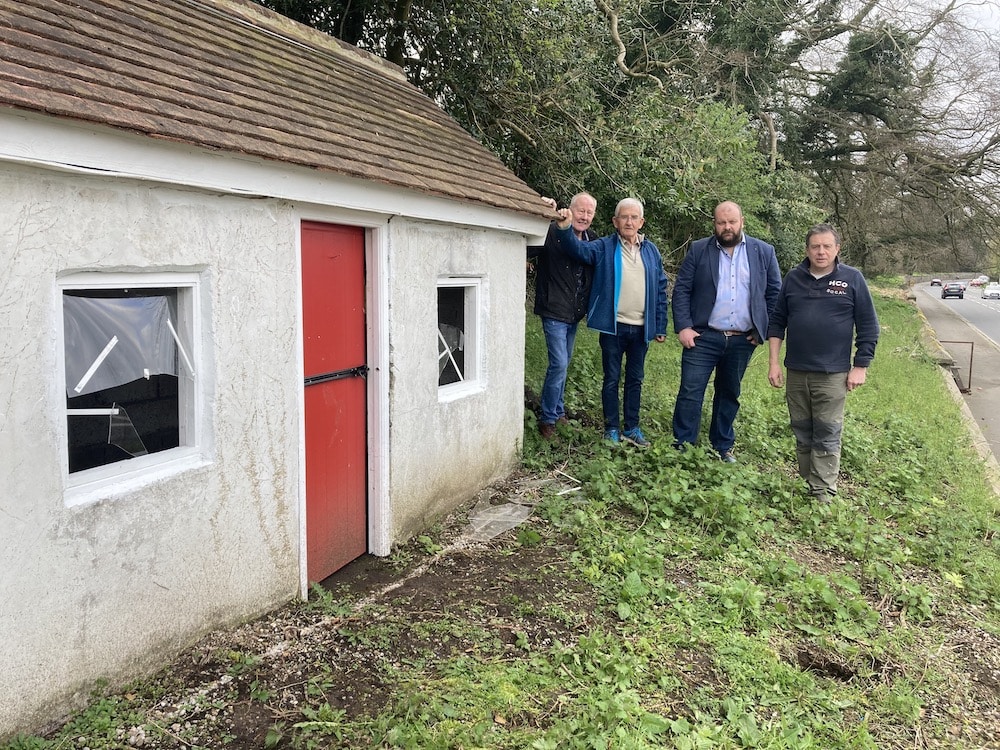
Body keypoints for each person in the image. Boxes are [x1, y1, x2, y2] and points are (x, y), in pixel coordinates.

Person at [766, 223, 880, 502]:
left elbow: (868, 326)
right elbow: (777, 322)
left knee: (827, 432)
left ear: (837, 248)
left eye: (827, 246)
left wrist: (860, 366)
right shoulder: (793, 278)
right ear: (807, 249)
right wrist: (774, 363)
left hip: (833, 374)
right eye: (815, 246)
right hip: (796, 371)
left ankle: (823, 492)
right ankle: (809, 482)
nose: (821, 251)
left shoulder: (852, 279)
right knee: (802, 429)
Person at [671, 201, 782, 462]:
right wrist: (684, 327)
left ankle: (722, 446)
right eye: (721, 222)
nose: (727, 227)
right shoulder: (699, 250)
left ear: (742, 221)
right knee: (690, 390)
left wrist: (761, 329)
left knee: (729, 392)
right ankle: (684, 444)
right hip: (703, 336)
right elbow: (682, 290)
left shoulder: (763, 252)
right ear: (715, 224)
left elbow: (774, 295)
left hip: (742, 339)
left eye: (731, 221)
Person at [553, 198, 668, 447]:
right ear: (615, 222)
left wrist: (660, 325)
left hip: (641, 328)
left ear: (641, 222)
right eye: (624, 217)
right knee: (611, 378)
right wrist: (564, 228)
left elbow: (660, 289)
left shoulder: (651, 251)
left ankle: (633, 428)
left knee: (635, 379)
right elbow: (578, 250)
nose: (629, 221)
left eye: (634, 217)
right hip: (613, 326)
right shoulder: (604, 246)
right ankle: (612, 428)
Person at [528, 193, 598, 439]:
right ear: (570, 210)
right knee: (558, 364)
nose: (585, 216)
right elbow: (526, 248)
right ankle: (547, 419)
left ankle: (557, 412)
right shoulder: (551, 232)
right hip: (554, 310)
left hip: (574, 314)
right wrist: (541, 213)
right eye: (581, 210)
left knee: (564, 364)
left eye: (589, 213)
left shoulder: (592, 241)